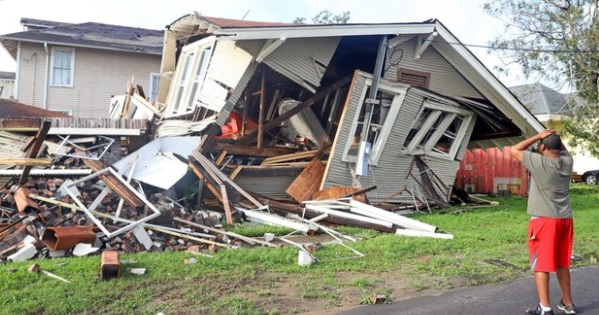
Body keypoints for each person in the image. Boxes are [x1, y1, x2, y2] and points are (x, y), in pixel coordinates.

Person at [510, 129, 576, 315]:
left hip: (544, 221)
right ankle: (568, 303)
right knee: (562, 262)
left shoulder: (539, 162)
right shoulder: (567, 162)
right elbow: (561, 149)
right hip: (565, 220)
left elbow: (514, 149)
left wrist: (540, 136)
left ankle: (545, 308)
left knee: (541, 264)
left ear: (543, 147)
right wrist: (554, 139)